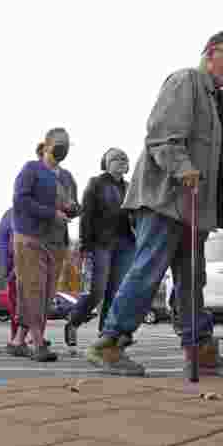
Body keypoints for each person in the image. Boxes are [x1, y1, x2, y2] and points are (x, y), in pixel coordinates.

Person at [88, 30, 223, 377]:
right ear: (209, 53)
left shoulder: (218, 102)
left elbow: (221, 160)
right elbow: (161, 137)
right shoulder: (186, 81)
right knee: (148, 271)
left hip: (195, 209)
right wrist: (184, 168)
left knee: (193, 281)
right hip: (166, 200)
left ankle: (200, 349)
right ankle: (110, 344)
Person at [8, 128, 80, 361]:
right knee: (34, 290)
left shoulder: (67, 177)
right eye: (60, 143)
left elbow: (73, 204)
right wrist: (51, 213)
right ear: (46, 145)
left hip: (57, 241)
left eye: (67, 144)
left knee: (45, 294)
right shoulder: (31, 169)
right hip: (30, 238)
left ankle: (18, 340)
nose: (64, 148)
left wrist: (73, 209)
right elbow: (20, 201)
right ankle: (38, 343)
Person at [65, 147, 136, 347]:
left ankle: (107, 337)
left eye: (124, 158)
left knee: (115, 293)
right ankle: (73, 321)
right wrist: (85, 245)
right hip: (100, 244)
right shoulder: (96, 183)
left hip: (125, 244)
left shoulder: (130, 187)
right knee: (96, 292)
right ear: (105, 163)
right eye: (116, 158)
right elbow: (86, 215)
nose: (121, 160)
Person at [0, 207, 20, 340]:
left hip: (37, 264)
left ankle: (35, 335)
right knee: (17, 303)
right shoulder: (10, 214)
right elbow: (1, 241)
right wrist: (3, 268)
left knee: (37, 303)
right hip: (16, 267)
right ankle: (17, 338)